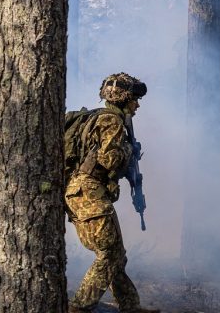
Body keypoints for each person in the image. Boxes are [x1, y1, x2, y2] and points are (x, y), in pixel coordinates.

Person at [65, 73, 158, 313]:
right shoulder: (111, 121)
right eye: (134, 100)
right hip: (88, 192)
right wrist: (129, 151)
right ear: (123, 99)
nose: (137, 105)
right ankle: (80, 307)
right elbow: (108, 159)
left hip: (85, 193)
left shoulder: (98, 118)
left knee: (117, 255)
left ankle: (130, 306)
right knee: (108, 254)